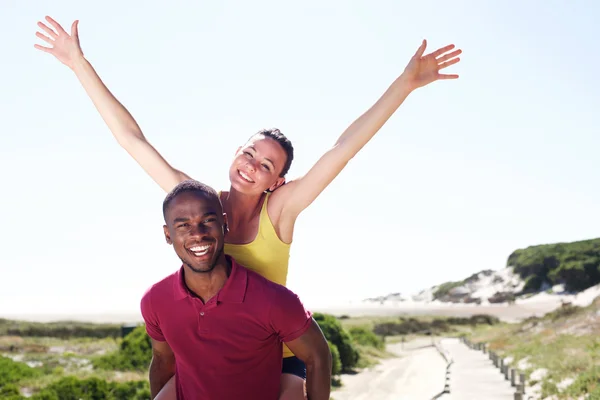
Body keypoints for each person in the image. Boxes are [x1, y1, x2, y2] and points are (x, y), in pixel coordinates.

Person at [34, 15, 461, 400]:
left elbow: (343, 149)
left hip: (277, 354)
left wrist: (405, 84)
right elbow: (134, 140)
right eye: (248, 153)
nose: (251, 166)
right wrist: (78, 64)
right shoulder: (201, 203)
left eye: (266, 165)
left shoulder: (281, 211)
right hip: (216, 354)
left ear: (277, 181)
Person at [141, 179, 331, 399]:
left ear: (224, 224)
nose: (198, 233)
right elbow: (163, 361)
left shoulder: (273, 300)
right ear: (167, 235)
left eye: (208, 220)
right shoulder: (155, 301)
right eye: (183, 225)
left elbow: (318, 356)